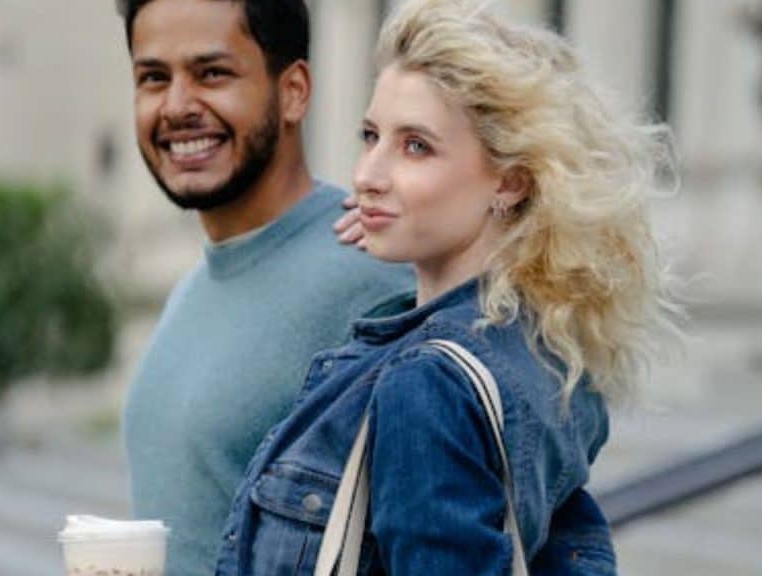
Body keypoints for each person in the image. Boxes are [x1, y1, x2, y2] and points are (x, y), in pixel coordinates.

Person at [214, 0, 683, 574]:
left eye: (416, 146)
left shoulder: (429, 385)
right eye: (371, 136)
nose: (366, 175)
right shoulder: (546, 353)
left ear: (510, 182)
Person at [116, 1, 412, 574]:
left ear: (294, 91)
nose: (176, 106)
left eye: (212, 73)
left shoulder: (374, 278)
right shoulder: (191, 288)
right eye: (153, 78)